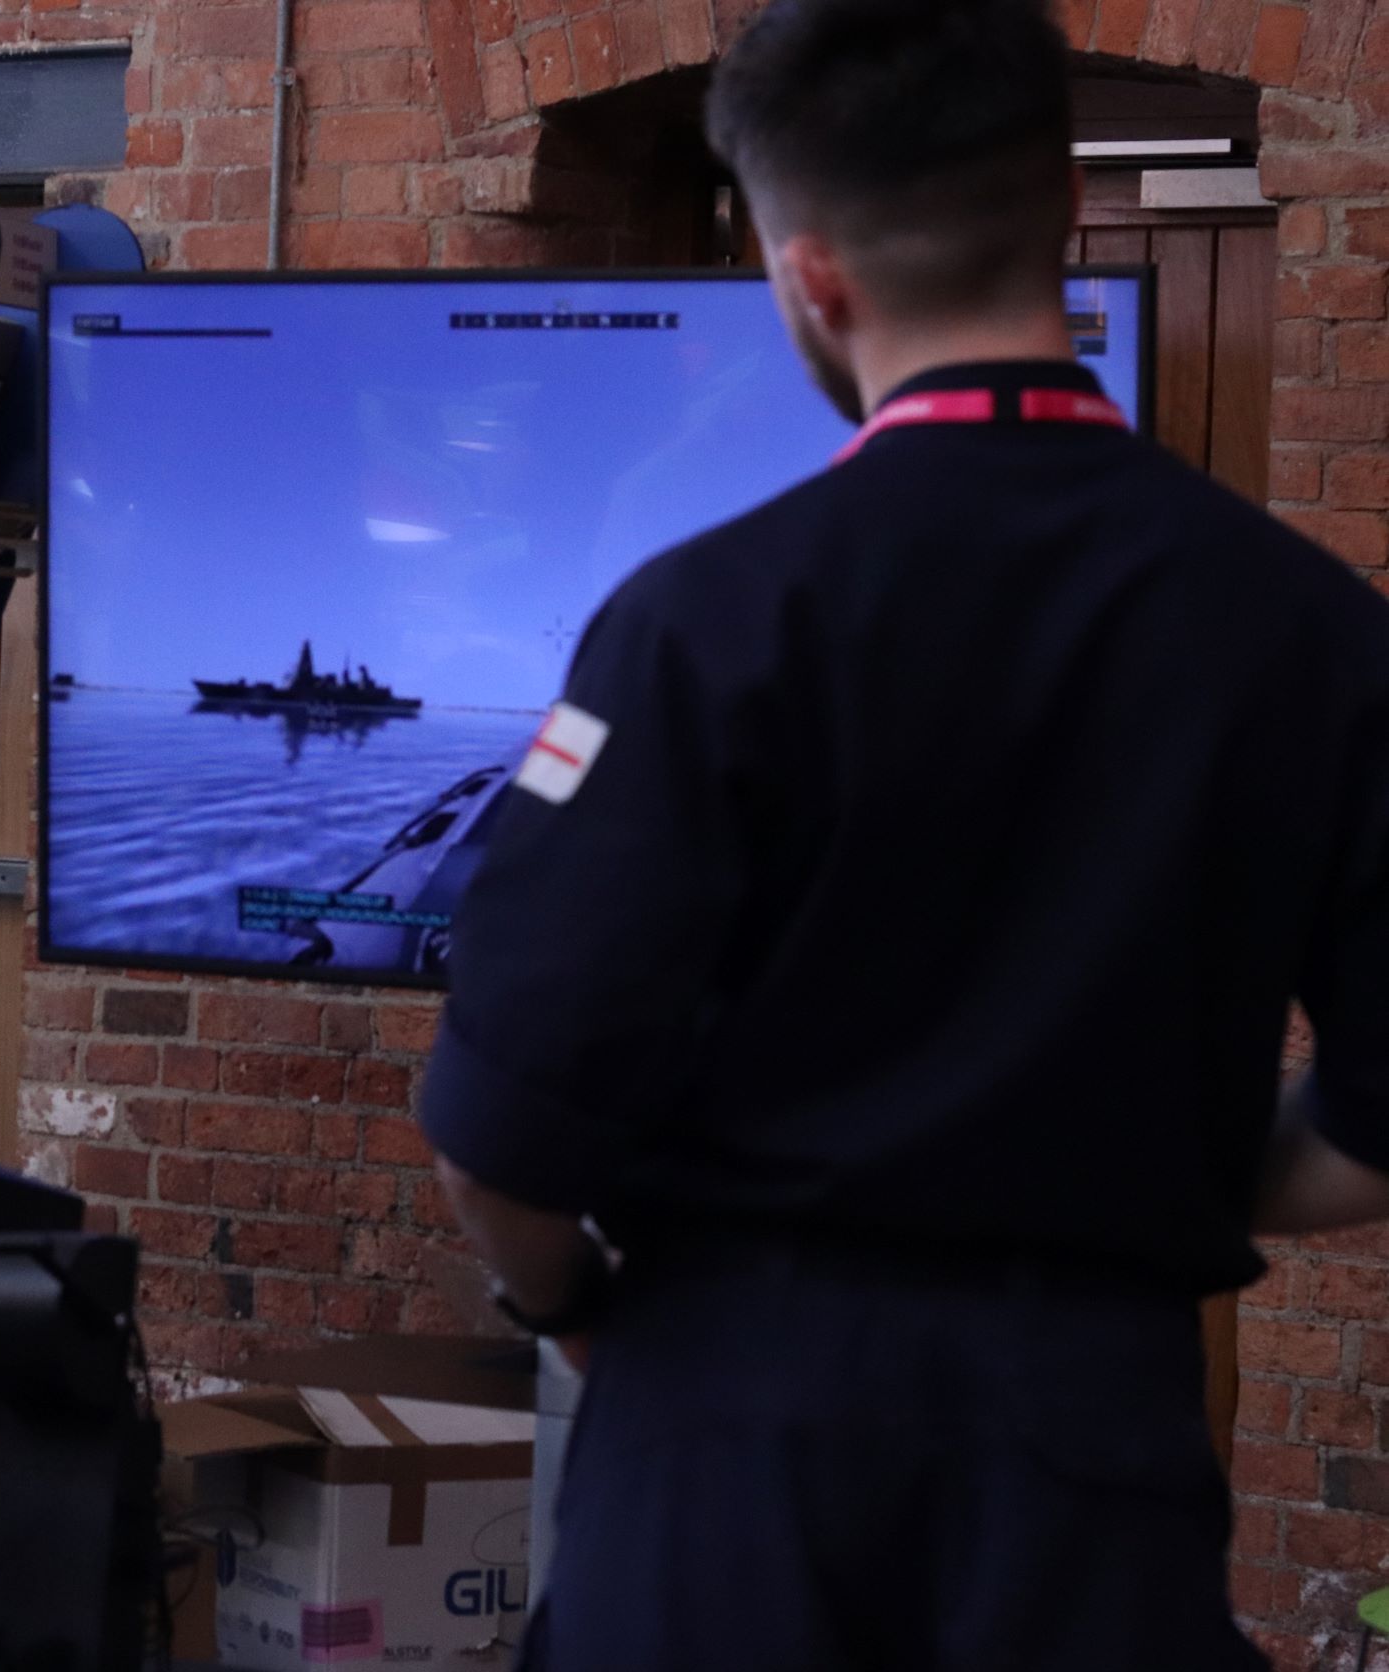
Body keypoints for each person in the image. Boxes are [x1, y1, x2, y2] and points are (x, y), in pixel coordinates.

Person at [420, 1, 1389, 1666]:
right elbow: (1373, 1134)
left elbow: (499, 1146)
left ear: (803, 274)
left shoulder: (694, 628)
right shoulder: (1312, 634)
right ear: (1068, 198)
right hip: (1094, 1479)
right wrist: (1118, 1158)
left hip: (717, 1466)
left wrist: (574, 1308)